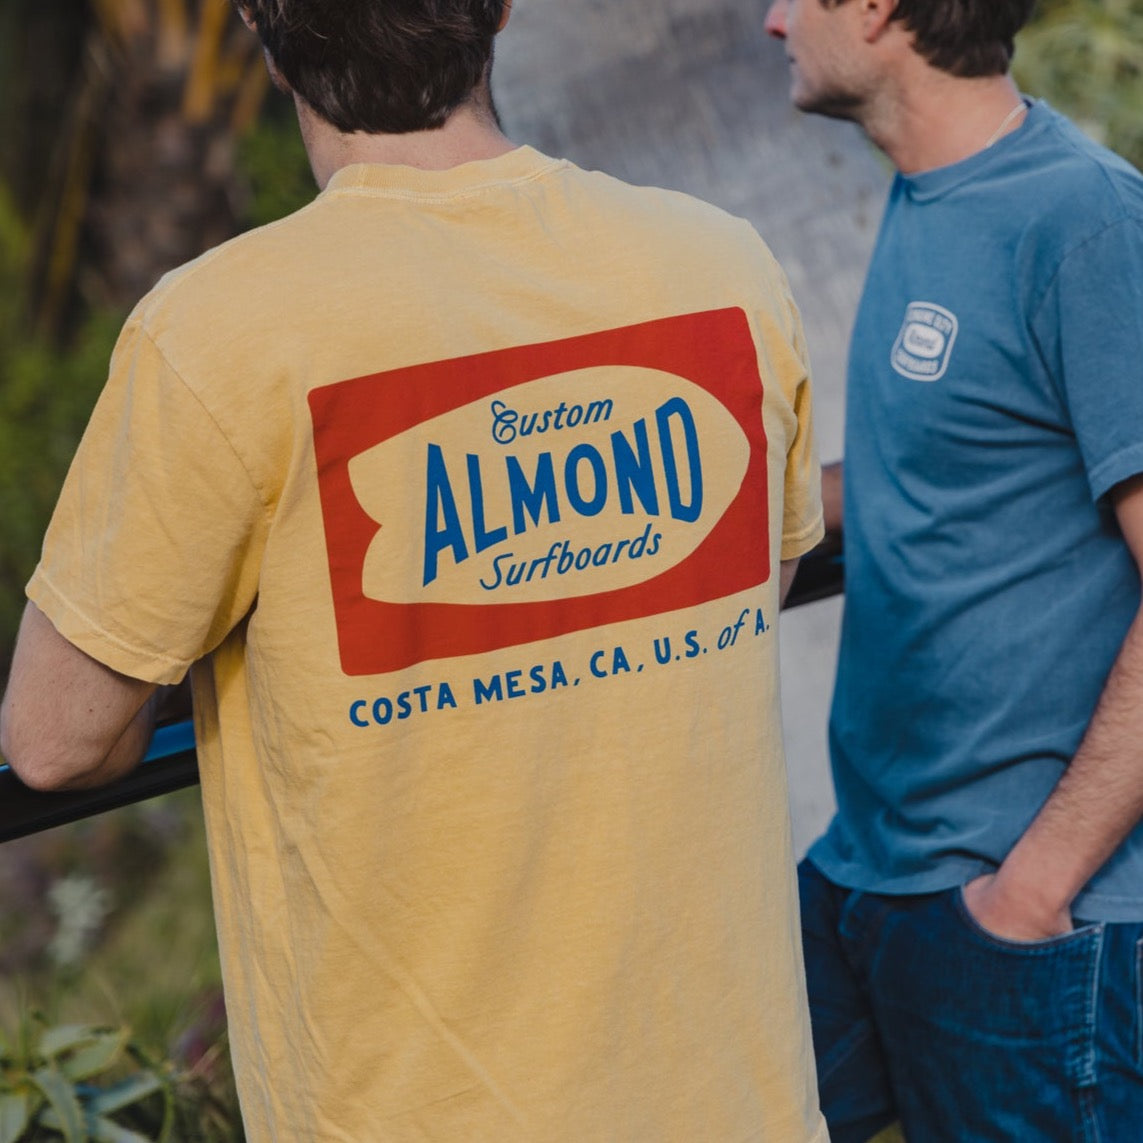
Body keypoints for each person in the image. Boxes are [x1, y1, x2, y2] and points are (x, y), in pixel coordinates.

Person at [0, 2, 829, 1139]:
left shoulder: (218, 334)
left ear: (263, 33)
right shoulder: (718, 266)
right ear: (499, 10)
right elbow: (754, 582)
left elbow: (55, 739)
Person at [764, 0, 1143, 1139]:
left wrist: (1032, 891)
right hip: (872, 868)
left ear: (876, 8)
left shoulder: (1083, 221)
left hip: (1025, 911)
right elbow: (942, 467)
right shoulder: (933, 191)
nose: (773, 22)